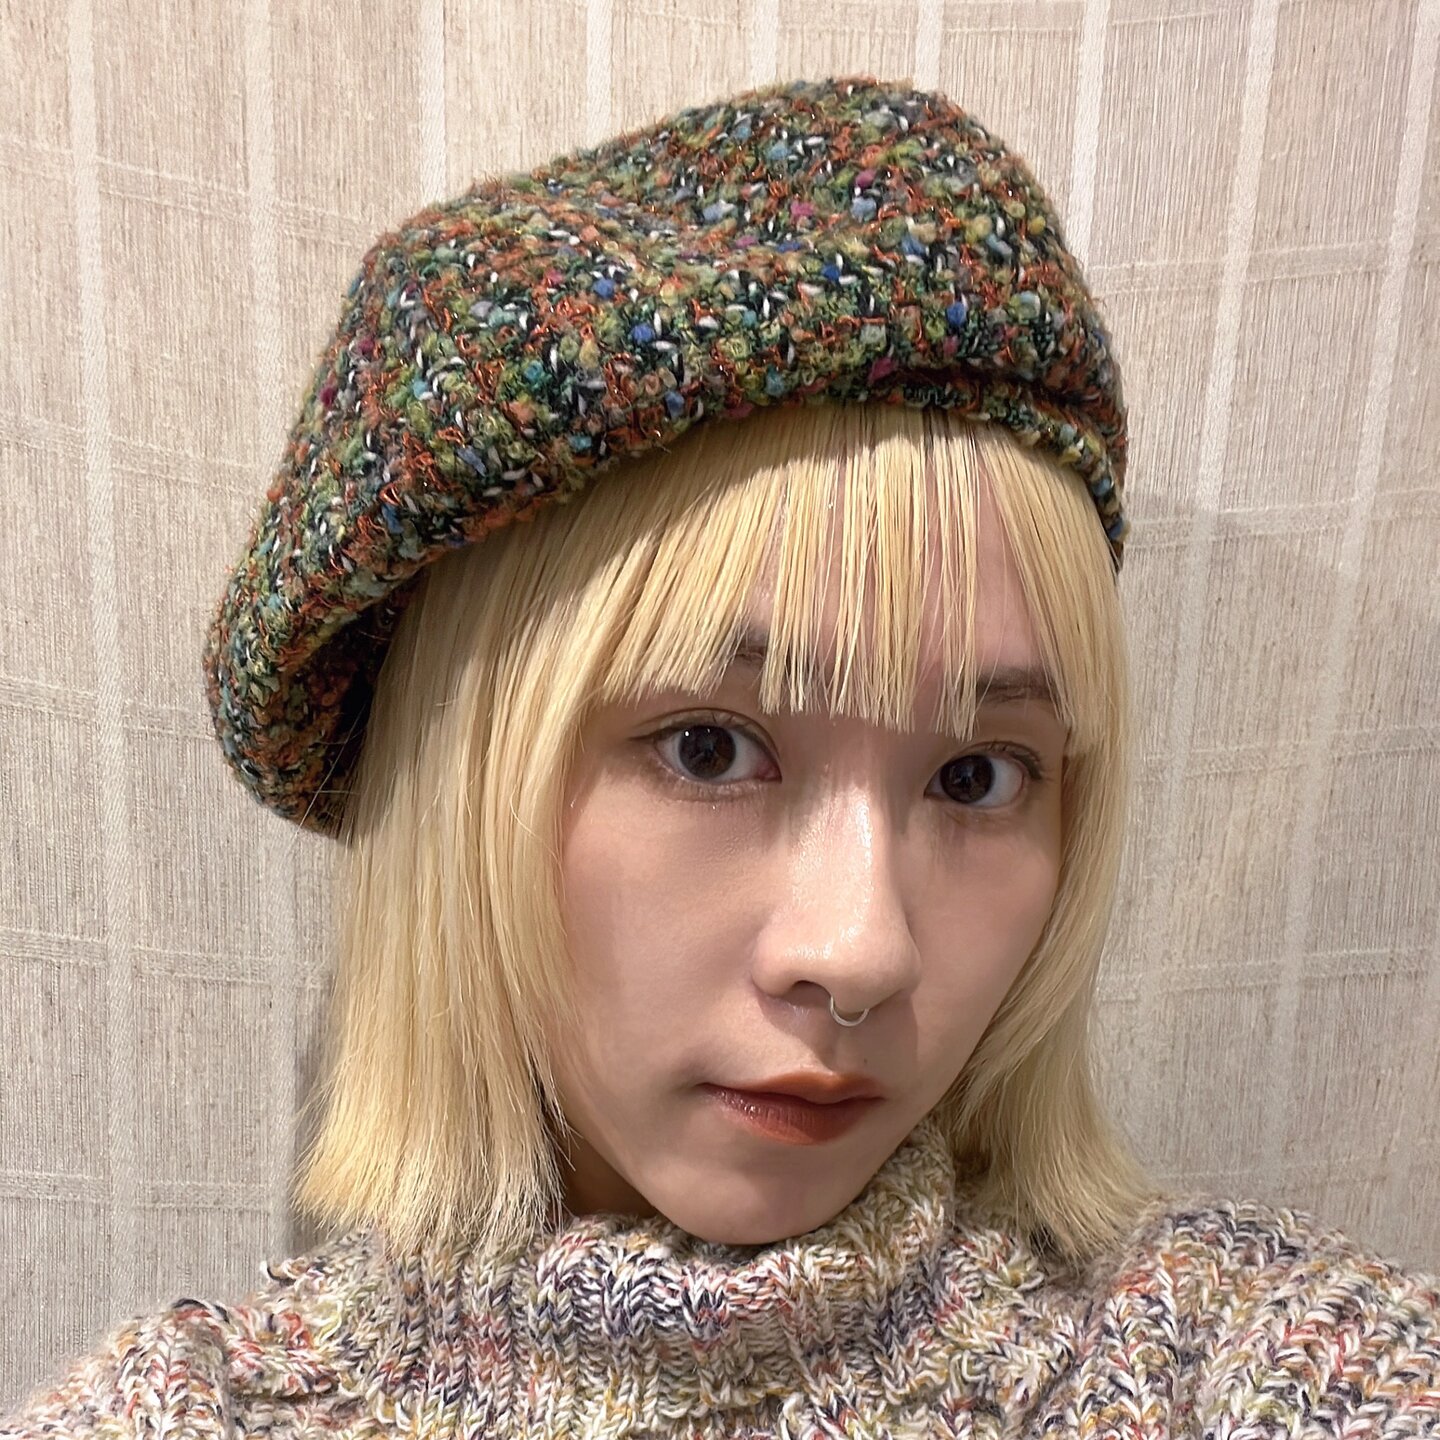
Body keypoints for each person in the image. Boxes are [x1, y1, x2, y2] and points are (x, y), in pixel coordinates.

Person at [5, 74, 1437, 1440]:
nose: (861, 954)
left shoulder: (1234, 1363)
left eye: (978, 777)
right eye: (708, 748)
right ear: (455, 787)